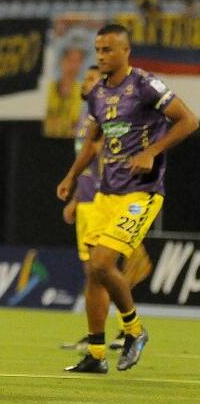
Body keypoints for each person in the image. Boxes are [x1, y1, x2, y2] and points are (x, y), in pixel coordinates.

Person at [56, 24, 198, 373]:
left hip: (142, 192)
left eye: (108, 49)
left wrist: (152, 150)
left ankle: (135, 331)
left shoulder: (145, 85)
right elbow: (92, 142)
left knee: (104, 263)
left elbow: (188, 120)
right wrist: (72, 177)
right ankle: (96, 354)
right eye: (98, 50)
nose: (102, 55)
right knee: (94, 273)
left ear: (125, 51)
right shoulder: (98, 94)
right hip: (107, 192)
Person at [59, 65, 152, 353]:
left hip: (105, 202)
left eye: (90, 78)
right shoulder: (86, 118)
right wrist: (76, 197)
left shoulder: (107, 117)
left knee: (100, 268)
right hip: (87, 202)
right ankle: (98, 332)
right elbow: (89, 166)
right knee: (93, 272)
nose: (84, 83)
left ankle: (128, 330)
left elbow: (106, 164)